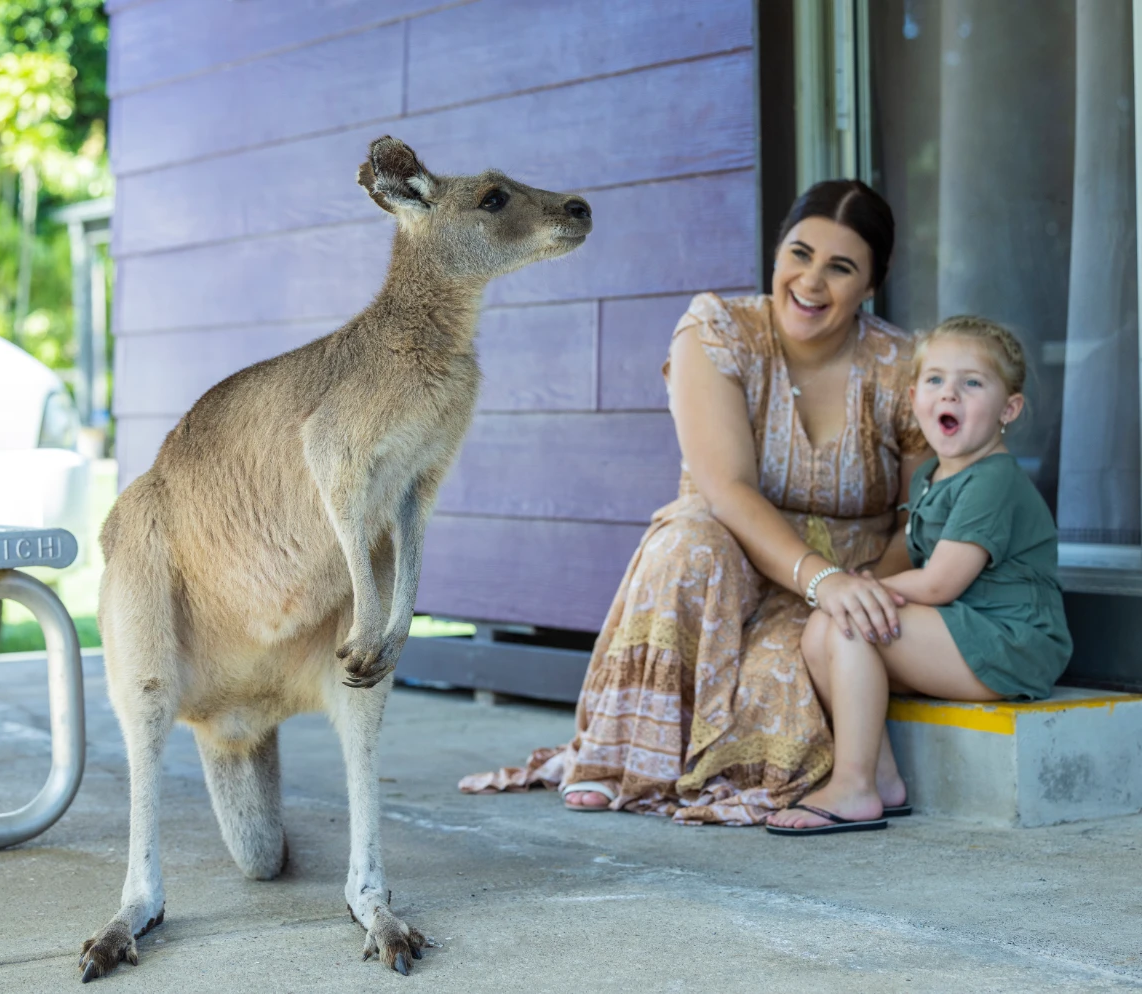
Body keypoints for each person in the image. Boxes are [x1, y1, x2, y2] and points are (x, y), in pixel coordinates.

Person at [458, 180, 932, 824]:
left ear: (871, 284)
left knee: (776, 689)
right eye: (800, 253)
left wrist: (866, 586)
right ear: (776, 252)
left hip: (846, 578)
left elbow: (916, 514)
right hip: (731, 549)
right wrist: (819, 578)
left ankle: (795, 770)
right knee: (688, 539)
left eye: (841, 267)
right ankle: (618, 754)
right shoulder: (718, 329)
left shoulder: (903, 365)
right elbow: (727, 488)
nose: (811, 281)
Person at [767, 316, 1073, 835]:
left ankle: (854, 783)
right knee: (824, 627)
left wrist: (862, 589)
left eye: (972, 382)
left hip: (1012, 641)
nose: (949, 392)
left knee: (848, 619)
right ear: (914, 398)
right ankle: (880, 779)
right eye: (935, 380)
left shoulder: (993, 480)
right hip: (967, 628)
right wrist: (855, 590)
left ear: (1009, 409)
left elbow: (938, 584)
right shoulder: (932, 474)